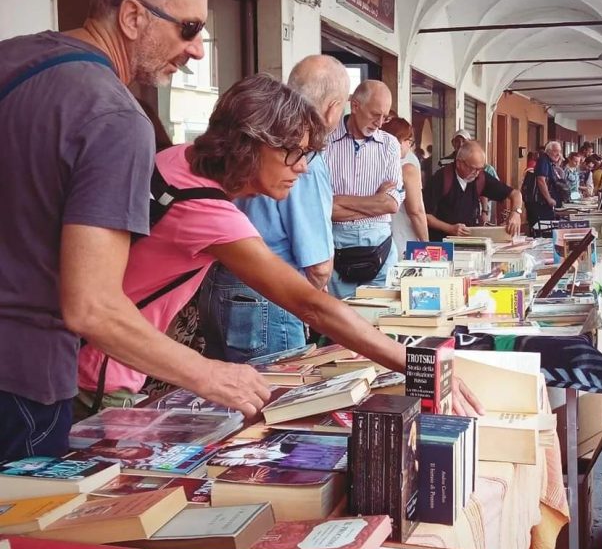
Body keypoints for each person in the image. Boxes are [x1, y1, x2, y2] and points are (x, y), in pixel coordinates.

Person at [0, 0, 273, 462]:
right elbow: (93, 306)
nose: (196, 49)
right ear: (131, 17)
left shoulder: (13, 58)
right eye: (190, 28)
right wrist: (211, 375)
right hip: (22, 385)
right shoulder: (115, 115)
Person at [78, 74, 484, 419]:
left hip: (96, 357)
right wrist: (418, 362)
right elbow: (309, 304)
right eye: (294, 152)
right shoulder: (208, 209)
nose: (303, 167)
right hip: (101, 371)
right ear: (250, 143)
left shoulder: (177, 160)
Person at [198, 55, 350, 361]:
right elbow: (319, 267)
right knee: (277, 402)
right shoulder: (301, 156)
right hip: (269, 296)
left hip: (217, 285)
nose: (301, 166)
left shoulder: (261, 145)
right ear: (334, 107)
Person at [325, 80, 402, 299]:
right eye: (375, 114)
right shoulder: (325, 142)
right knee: (340, 323)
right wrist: (375, 203)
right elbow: (322, 208)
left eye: (385, 117)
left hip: (381, 248)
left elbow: (391, 204)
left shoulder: (390, 144)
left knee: (380, 323)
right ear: (355, 105)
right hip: (336, 246)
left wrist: (339, 201)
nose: (379, 123)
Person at [423, 140, 523, 240]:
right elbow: (424, 215)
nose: (476, 173)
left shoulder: (481, 177)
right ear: (459, 163)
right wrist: (450, 229)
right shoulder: (441, 178)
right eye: (473, 168)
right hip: (442, 244)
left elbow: (515, 194)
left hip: (469, 243)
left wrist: (516, 213)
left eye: (480, 169)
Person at [382, 117, 429, 257]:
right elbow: (416, 211)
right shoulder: (407, 169)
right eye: (409, 141)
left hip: (378, 243)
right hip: (404, 242)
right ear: (400, 141)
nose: (410, 146)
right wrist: (426, 243)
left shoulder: (373, 166)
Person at [526, 140, 565, 231]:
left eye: (559, 151)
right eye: (555, 151)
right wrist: (549, 199)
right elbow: (541, 180)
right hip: (539, 203)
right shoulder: (543, 160)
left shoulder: (550, 162)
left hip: (542, 203)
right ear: (548, 151)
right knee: (542, 230)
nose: (558, 154)